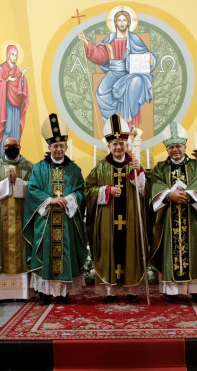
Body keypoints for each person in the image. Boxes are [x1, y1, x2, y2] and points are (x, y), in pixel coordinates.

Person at [24, 113, 87, 305]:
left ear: (66, 147)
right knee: (45, 253)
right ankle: (44, 293)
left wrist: (71, 198)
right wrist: (49, 200)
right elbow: (32, 189)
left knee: (65, 255)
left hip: (67, 222)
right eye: (55, 146)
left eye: (61, 146)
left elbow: (81, 190)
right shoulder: (39, 168)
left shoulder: (74, 170)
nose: (58, 149)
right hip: (45, 222)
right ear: (49, 147)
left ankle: (62, 293)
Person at [84, 114, 146, 302]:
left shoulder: (133, 165)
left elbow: (144, 192)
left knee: (130, 250)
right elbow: (87, 190)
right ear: (109, 146)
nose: (118, 147)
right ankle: (110, 292)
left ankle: (132, 291)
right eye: (114, 144)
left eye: (121, 143)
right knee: (109, 251)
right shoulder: (101, 167)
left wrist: (139, 173)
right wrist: (106, 190)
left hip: (131, 219)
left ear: (126, 145)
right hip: (107, 221)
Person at [150, 122, 197, 302]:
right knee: (170, 251)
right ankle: (171, 292)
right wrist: (168, 194)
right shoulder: (160, 168)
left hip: (193, 216)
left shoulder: (196, 166)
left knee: (195, 250)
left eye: (178, 146)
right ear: (167, 149)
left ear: (185, 147)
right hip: (169, 218)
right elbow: (154, 185)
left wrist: (188, 195)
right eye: (171, 147)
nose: (175, 150)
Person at [78, 8, 156, 127]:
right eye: (119, 20)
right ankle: (112, 126)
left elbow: (146, 55)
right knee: (101, 93)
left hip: (130, 73)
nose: (122, 23)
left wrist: (150, 60)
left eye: (124, 20)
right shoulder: (110, 39)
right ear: (115, 23)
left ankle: (128, 121)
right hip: (114, 72)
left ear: (129, 22)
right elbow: (100, 55)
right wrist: (85, 42)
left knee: (136, 82)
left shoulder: (135, 39)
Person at [0, 136, 33, 301]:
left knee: (23, 250)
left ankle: (22, 293)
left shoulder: (29, 166)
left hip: (22, 218)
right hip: (1, 219)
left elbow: (35, 188)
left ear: (20, 146)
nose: (11, 148)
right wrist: (6, 183)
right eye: (7, 146)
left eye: (14, 145)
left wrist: (17, 182)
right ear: (3, 148)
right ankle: (3, 294)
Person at [0, 45, 29, 158]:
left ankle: (15, 157)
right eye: (12, 54)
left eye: (16, 55)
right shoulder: (2, 68)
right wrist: (6, 81)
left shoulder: (17, 70)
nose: (14, 57)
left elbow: (20, 86)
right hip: (6, 106)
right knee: (7, 129)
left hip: (16, 106)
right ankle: (3, 157)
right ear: (8, 55)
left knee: (15, 130)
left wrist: (22, 77)